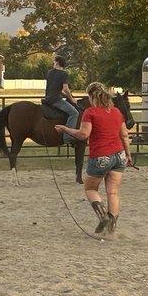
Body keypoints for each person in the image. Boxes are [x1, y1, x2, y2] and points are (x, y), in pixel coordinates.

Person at [55, 82, 133, 234]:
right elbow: (124, 134)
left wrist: (65, 129)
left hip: (101, 156)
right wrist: (128, 155)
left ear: (91, 97)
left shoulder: (90, 112)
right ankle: (112, 227)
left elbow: (84, 134)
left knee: (90, 188)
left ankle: (103, 217)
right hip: (119, 156)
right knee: (113, 192)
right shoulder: (117, 112)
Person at [45, 55, 79, 145]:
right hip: (56, 100)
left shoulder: (50, 72)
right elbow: (65, 89)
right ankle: (67, 138)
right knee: (74, 113)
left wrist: (67, 96)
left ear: (57, 62)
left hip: (48, 98)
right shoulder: (64, 74)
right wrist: (72, 99)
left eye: (54, 61)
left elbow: (56, 88)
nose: (53, 63)